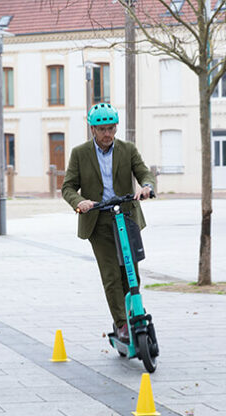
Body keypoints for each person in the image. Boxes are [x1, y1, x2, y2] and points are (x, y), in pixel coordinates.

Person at [62, 103, 156, 342]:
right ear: (92, 129)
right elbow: (68, 187)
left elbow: (143, 172)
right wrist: (80, 202)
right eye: (102, 129)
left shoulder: (128, 149)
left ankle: (134, 314)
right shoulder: (80, 153)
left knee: (131, 273)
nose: (107, 134)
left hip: (126, 217)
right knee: (112, 274)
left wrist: (146, 186)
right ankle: (122, 323)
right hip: (98, 220)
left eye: (111, 128)